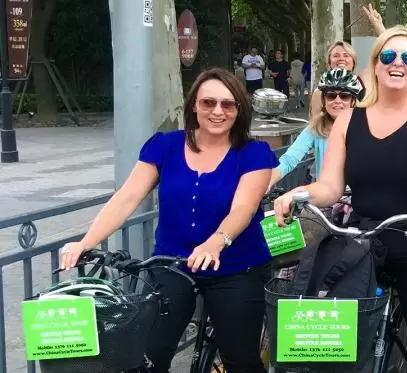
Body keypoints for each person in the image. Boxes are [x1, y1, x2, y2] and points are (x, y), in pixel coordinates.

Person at [272, 25, 407, 373]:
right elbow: (330, 186)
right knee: (332, 350)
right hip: (365, 244)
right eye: (388, 56)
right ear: (375, 65)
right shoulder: (349, 119)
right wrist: (295, 194)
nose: (398, 63)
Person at [59, 68, 277, 372]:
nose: (217, 111)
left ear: (239, 111)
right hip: (172, 264)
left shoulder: (253, 153)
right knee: (148, 356)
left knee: (240, 361)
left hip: (237, 267)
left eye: (228, 105)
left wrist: (216, 241)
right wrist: (86, 242)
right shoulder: (166, 146)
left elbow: (244, 207)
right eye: (208, 103)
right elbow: (127, 197)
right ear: (193, 106)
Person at [268, 68, 363, 189]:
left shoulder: (365, 126)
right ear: (323, 100)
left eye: (344, 96)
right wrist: (268, 180)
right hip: (324, 197)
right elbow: (290, 158)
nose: (337, 101)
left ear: (353, 101)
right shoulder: (317, 126)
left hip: (356, 197)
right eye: (331, 95)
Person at [309, 41, 364, 121]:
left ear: (353, 62)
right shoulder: (319, 92)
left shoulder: (366, 83)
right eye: (336, 56)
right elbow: (315, 124)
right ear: (329, 62)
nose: (341, 59)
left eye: (346, 55)